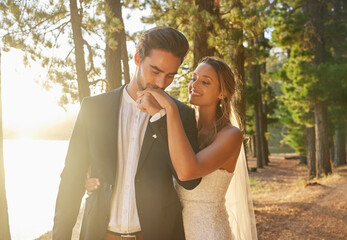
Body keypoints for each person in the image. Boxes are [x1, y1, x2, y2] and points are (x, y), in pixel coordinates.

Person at [52, 26, 201, 240]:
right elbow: (71, 179)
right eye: (155, 71)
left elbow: (189, 181)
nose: (161, 83)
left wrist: (161, 117)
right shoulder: (94, 108)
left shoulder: (182, 115)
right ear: (138, 58)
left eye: (170, 76)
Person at [86, 56, 258, 239]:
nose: (194, 85)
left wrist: (169, 106)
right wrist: (95, 175)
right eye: (193, 78)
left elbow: (188, 172)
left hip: (208, 232)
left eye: (205, 82)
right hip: (172, 228)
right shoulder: (183, 127)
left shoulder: (231, 135)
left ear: (222, 93)